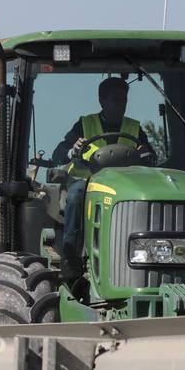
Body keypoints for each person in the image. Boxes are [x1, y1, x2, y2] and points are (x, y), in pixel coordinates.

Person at [54, 77, 157, 283]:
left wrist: (147, 154)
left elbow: (151, 157)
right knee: (75, 195)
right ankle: (70, 254)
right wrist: (72, 149)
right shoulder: (84, 124)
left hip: (124, 189)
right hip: (87, 183)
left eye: (124, 99)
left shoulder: (134, 129)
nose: (121, 104)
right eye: (116, 99)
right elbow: (59, 152)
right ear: (102, 101)